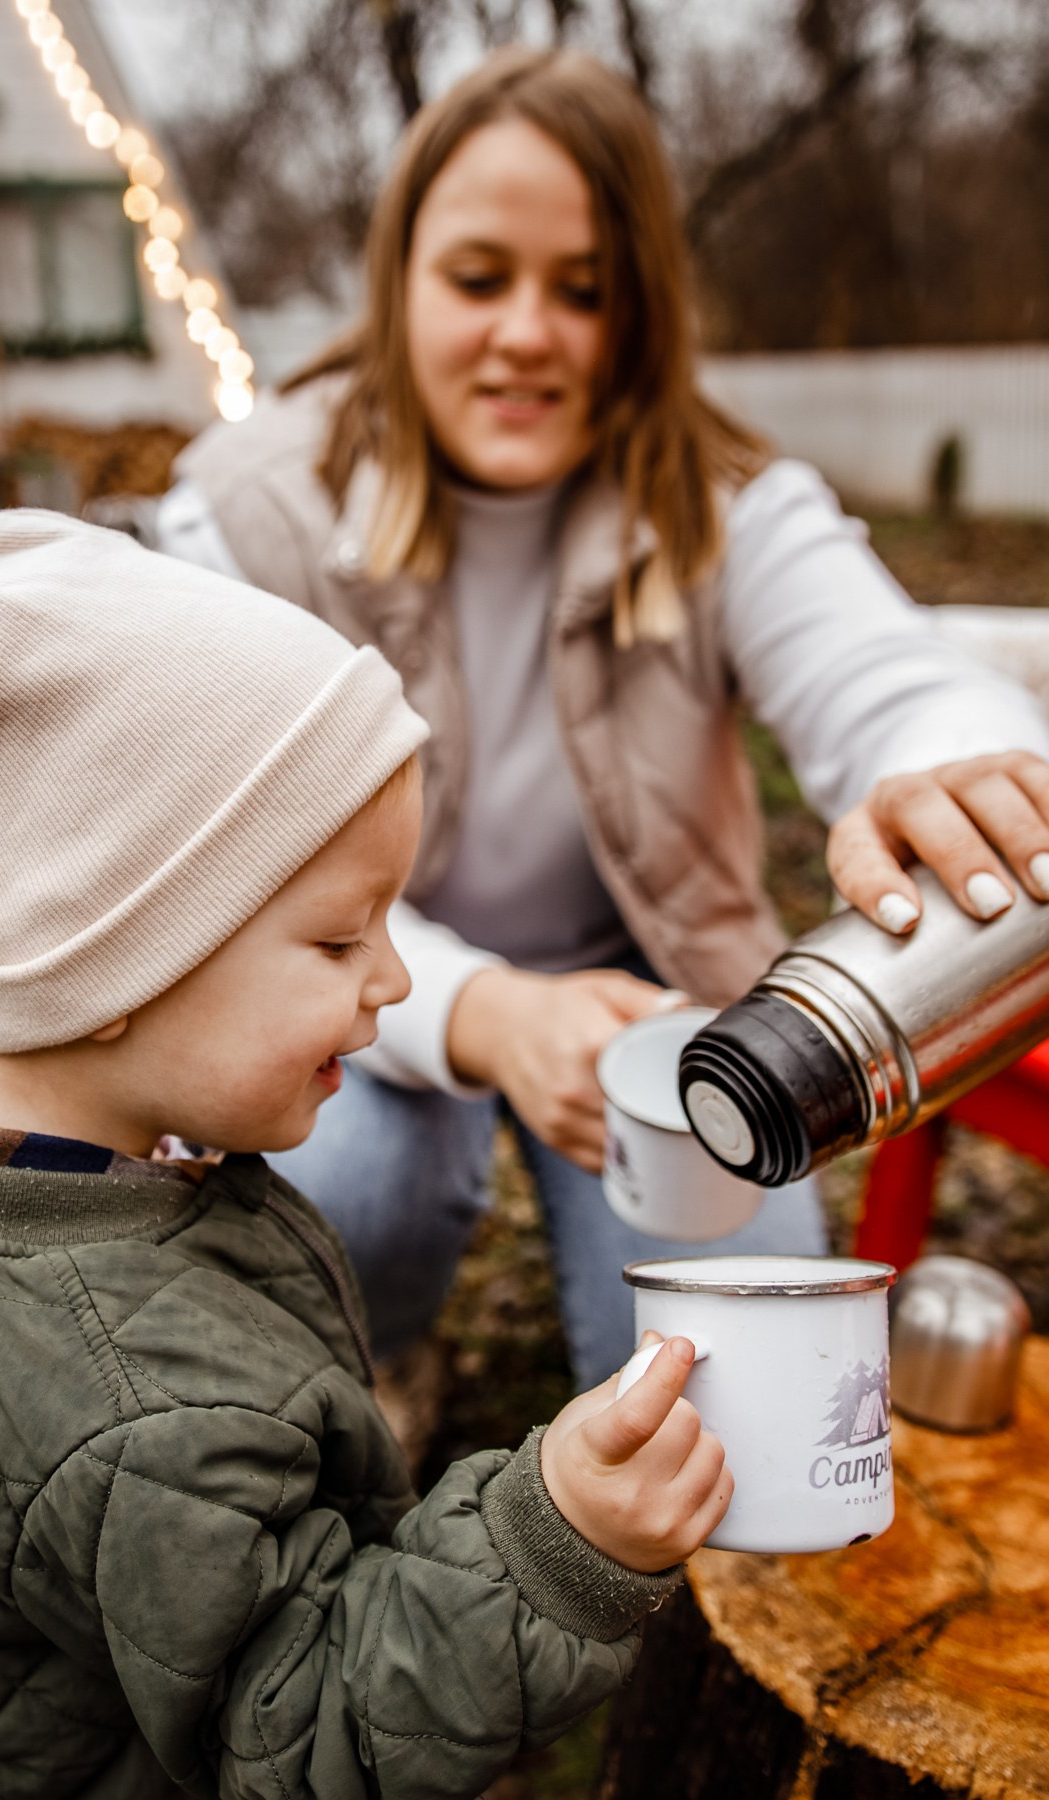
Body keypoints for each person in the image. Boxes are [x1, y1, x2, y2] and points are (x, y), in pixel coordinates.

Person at [158, 45, 1049, 1392]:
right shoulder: (246, 510)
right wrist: (487, 1015)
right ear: (396, 280)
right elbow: (224, 872)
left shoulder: (727, 498)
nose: (529, 333)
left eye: (584, 290)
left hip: (658, 998)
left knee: (754, 1367)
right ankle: (373, 1359)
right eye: (478, 279)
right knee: (341, 1194)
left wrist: (951, 765)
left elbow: (888, 672)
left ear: (640, 311)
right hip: (355, 988)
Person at [0, 510, 732, 1799]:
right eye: (336, 943)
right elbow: (300, 1727)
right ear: (103, 968)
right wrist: (555, 1546)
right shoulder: (142, 1400)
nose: (389, 982)